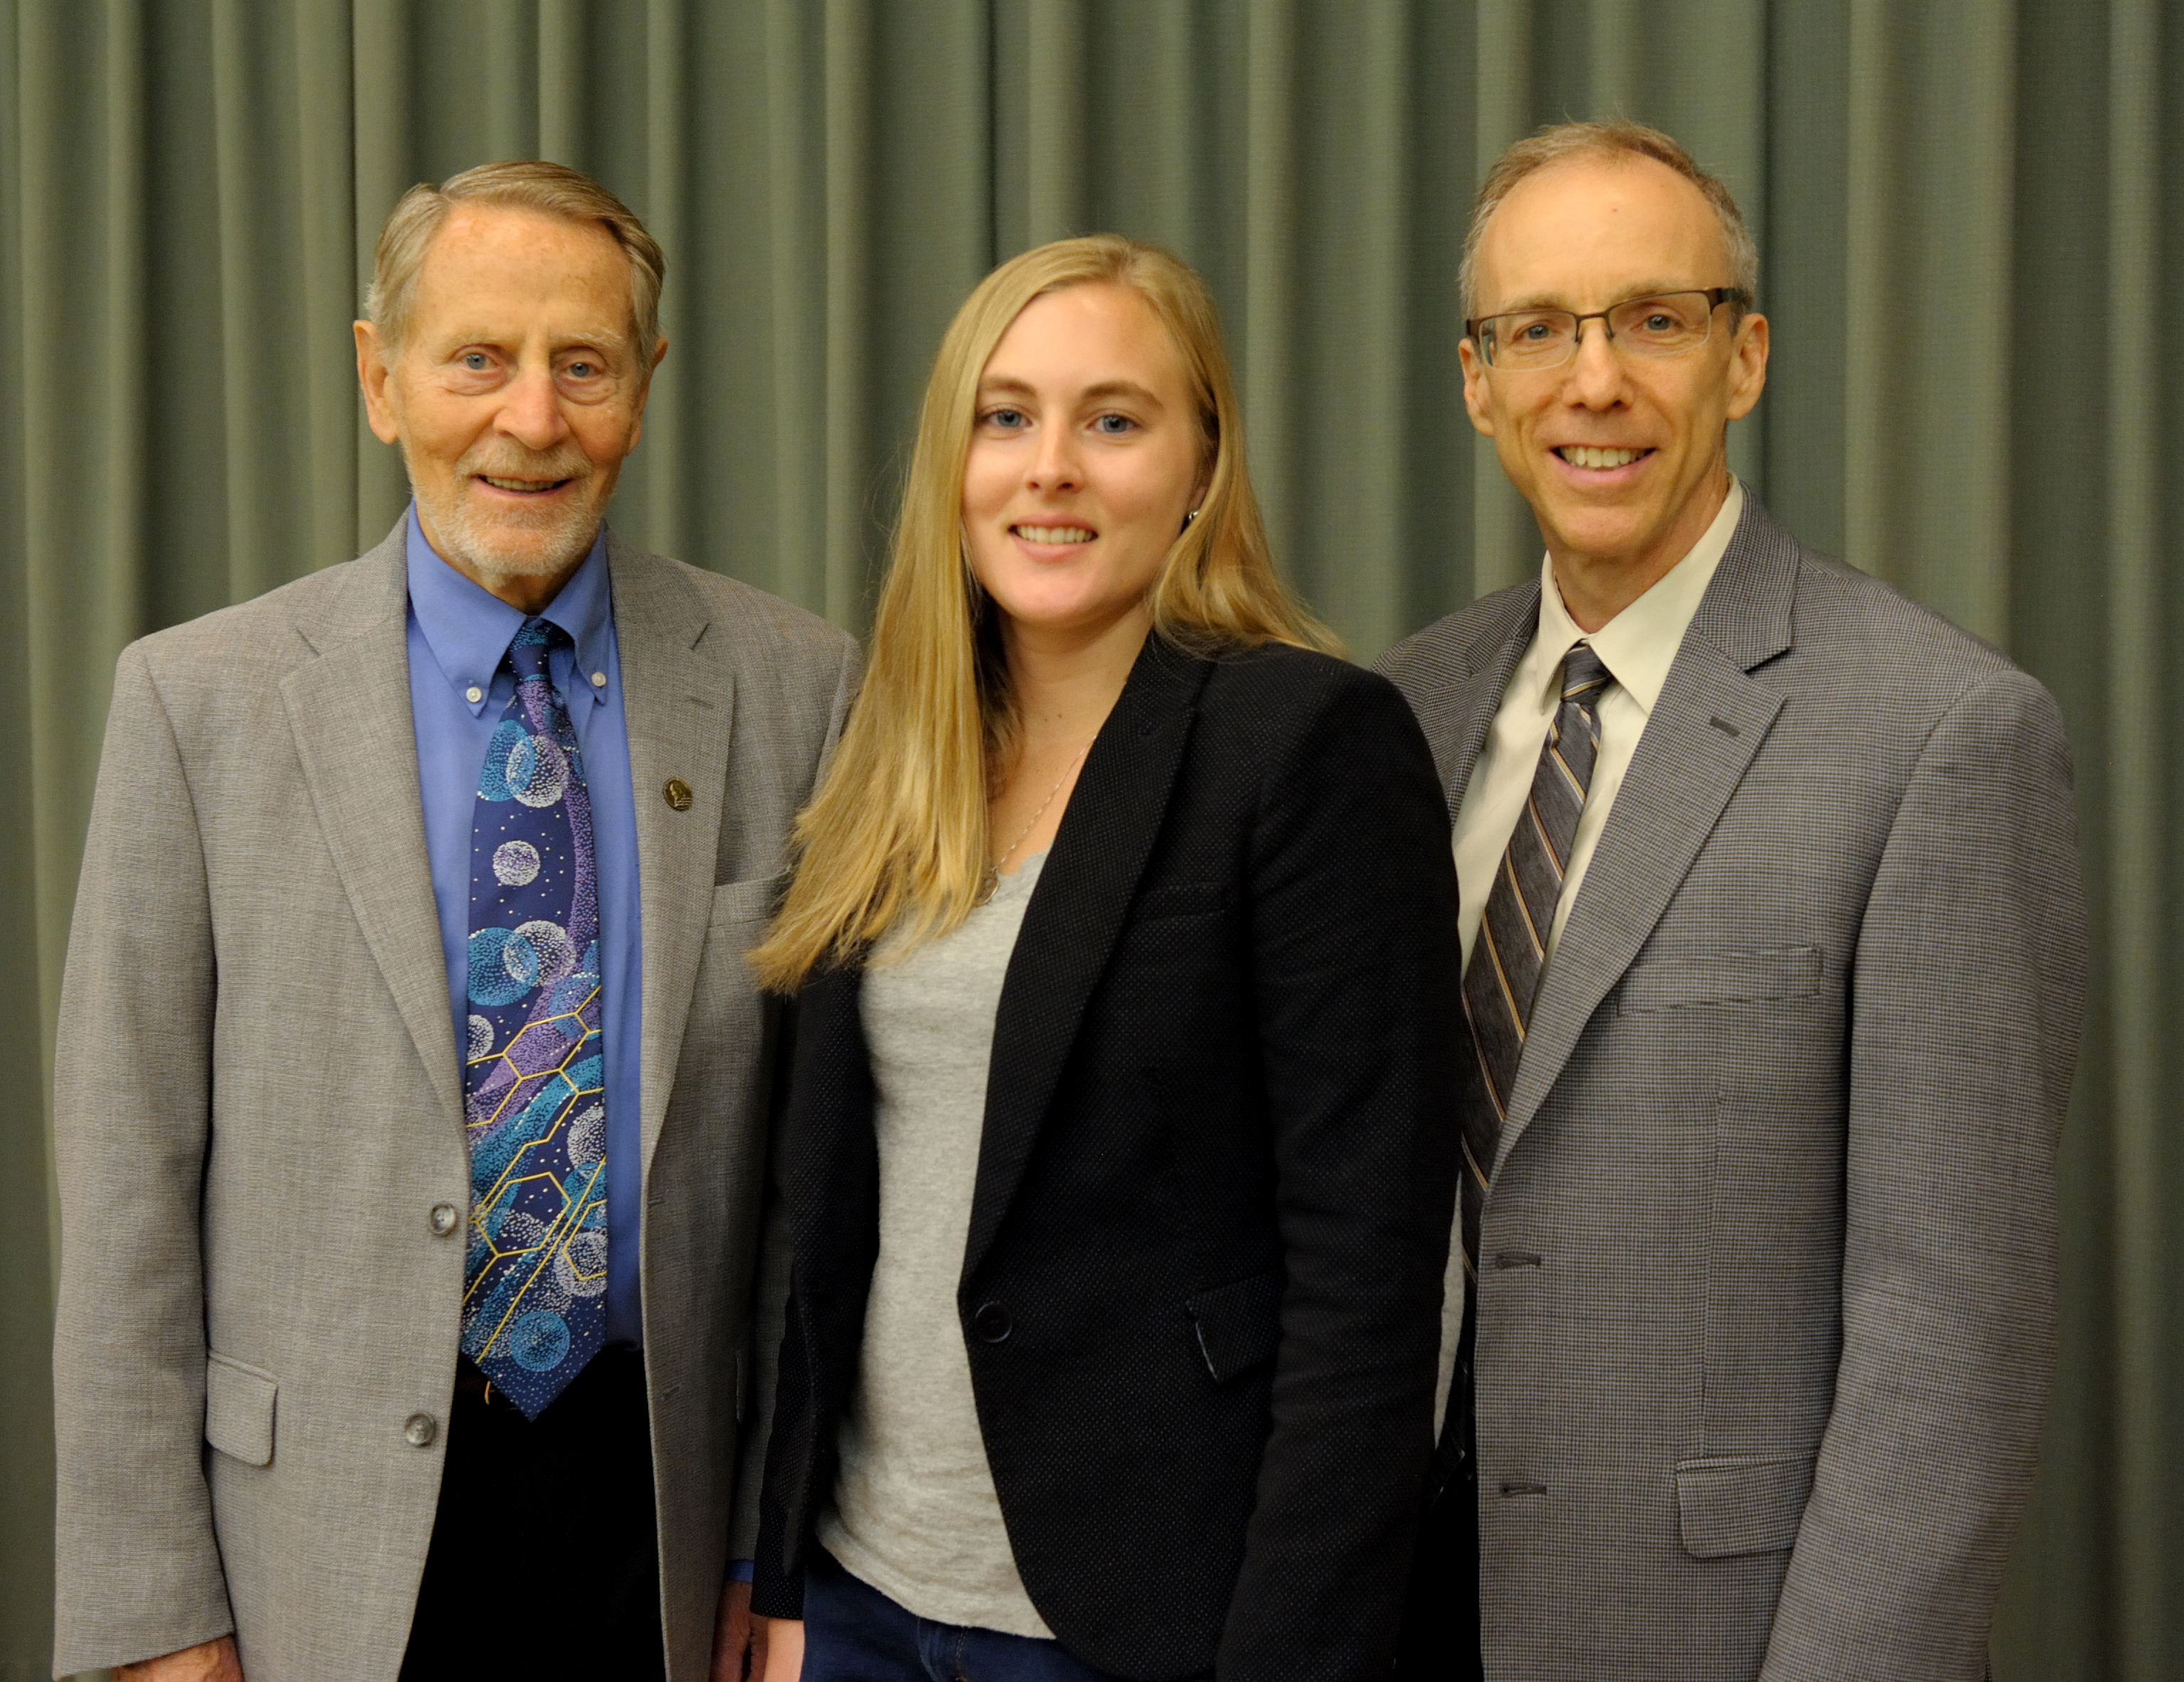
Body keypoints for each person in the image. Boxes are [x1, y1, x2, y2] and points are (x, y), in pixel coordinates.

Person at [49, 161, 857, 1682]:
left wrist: (774, 1544)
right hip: (313, 1543)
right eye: (475, 358)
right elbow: (127, 1194)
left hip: (663, 1530)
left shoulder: (795, 688)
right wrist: (156, 1617)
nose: (531, 420)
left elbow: (812, 1200)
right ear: (378, 378)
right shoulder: (199, 704)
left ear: (645, 385)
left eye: (583, 366)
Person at [1374, 120, 2087, 1681]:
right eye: (1537, 330)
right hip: (1388, 1602)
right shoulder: (1399, 713)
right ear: (1475, 378)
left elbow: (1949, 1340)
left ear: (1743, 357)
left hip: (1713, 1634)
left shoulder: (1939, 734)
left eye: (1652, 319)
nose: (1594, 381)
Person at [738, 234, 1463, 1681]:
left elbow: (1366, 1283)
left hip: (1139, 1623)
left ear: (1200, 466)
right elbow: (825, 1224)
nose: (1048, 466)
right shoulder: (892, 757)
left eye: (1111, 419)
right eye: (1004, 418)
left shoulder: (1305, 743)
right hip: (865, 1591)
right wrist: (780, 1575)